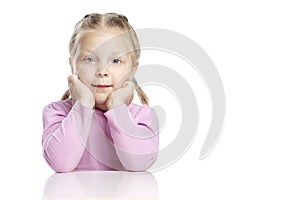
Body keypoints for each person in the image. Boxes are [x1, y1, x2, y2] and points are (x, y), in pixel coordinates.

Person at [42, 13, 159, 173]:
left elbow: (138, 164)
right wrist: (83, 105)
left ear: (133, 68)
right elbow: (61, 163)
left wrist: (118, 108)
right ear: (72, 64)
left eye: (116, 61)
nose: (102, 71)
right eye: (89, 59)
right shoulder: (57, 113)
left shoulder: (142, 117)